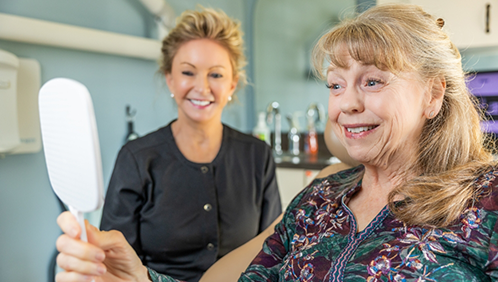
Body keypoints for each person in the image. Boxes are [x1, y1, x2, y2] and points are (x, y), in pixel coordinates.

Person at [54, 3, 498, 282]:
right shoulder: (318, 201)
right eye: (335, 85)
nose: (347, 104)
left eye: (373, 81)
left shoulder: (486, 200)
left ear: (434, 93)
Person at [97, 6, 281, 282]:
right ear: (170, 79)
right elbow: (115, 265)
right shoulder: (136, 159)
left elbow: (275, 252)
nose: (202, 87)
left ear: (232, 84)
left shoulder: (257, 156)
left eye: (216, 75)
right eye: (188, 72)